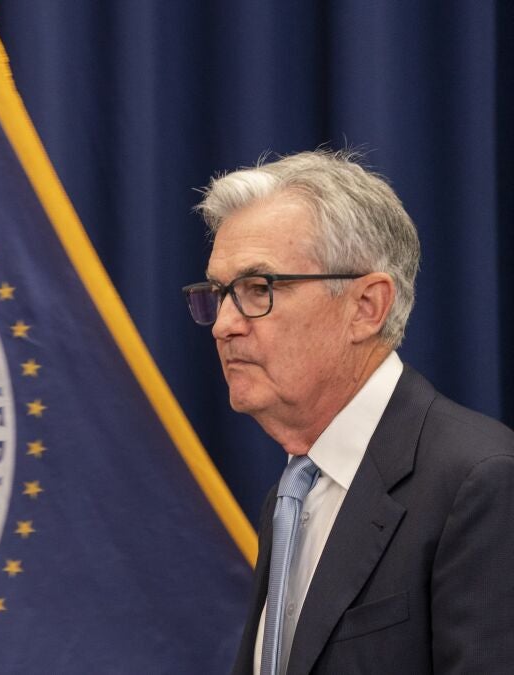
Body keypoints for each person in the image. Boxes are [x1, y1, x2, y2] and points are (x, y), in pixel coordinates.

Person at [182, 150, 514, 674]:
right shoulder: (293, 492)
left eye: (257, 289)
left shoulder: (481, 481)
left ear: (366, 307)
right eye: (220, 294)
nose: (224, 325)